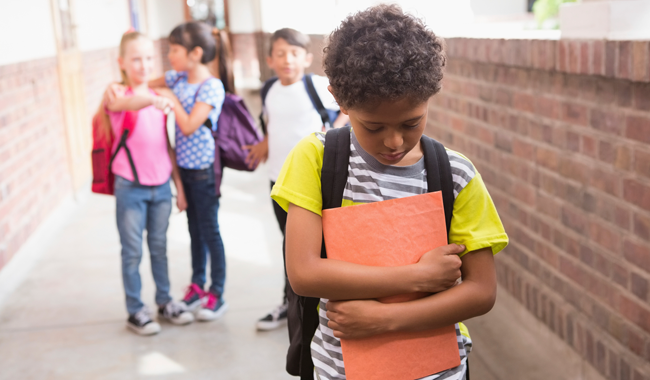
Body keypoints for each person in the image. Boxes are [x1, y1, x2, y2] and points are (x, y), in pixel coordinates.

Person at [271, 5, 509, 380]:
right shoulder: (317, 159)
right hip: (341, 370)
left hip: (439, 371)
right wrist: (416, 278)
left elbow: (481, 290)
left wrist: (386, 318)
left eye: (411, 122)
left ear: (432, 95)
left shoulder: (455, 174)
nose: (394, 140)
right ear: (339, 99)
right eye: (373, 126)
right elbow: (303, 272)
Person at [244, 28, 350, 331]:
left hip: (313, 184)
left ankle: (318, 306)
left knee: (317, 249)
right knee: (290, 247)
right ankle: (292, 307)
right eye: (280, 53)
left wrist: (333, 131)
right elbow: (272, 123)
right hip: (278, 181)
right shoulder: (269, 90)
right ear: (270, 59)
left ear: (306, 58)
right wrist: (265, 143)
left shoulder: (316, 86)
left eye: (293, 53)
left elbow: (346, 110)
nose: (287, 59)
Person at [101, 31, 194, 335]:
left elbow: (166, 145)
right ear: (122, 63)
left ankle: (165, 302)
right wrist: (156, 99)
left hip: (160, 187)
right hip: (130, 186)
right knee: (132, 252)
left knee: (159, 247)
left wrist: (178, 187)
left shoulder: (160, 98)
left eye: (149, 58)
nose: (144, 64)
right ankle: (135, 310)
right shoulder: (117, 95)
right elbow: (132, 103)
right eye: (136, 59)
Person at [146, 21, 230, 322]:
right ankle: (197, 286)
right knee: (194, 231)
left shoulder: (211, 86)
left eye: (175, 49)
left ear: (195, 53)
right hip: (183, 168)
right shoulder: (176, 77)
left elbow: (189, 124)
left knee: (210, 232)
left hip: (204, 171)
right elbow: (146, 85)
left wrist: (170, 98)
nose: (170, 55)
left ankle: (216, 294)